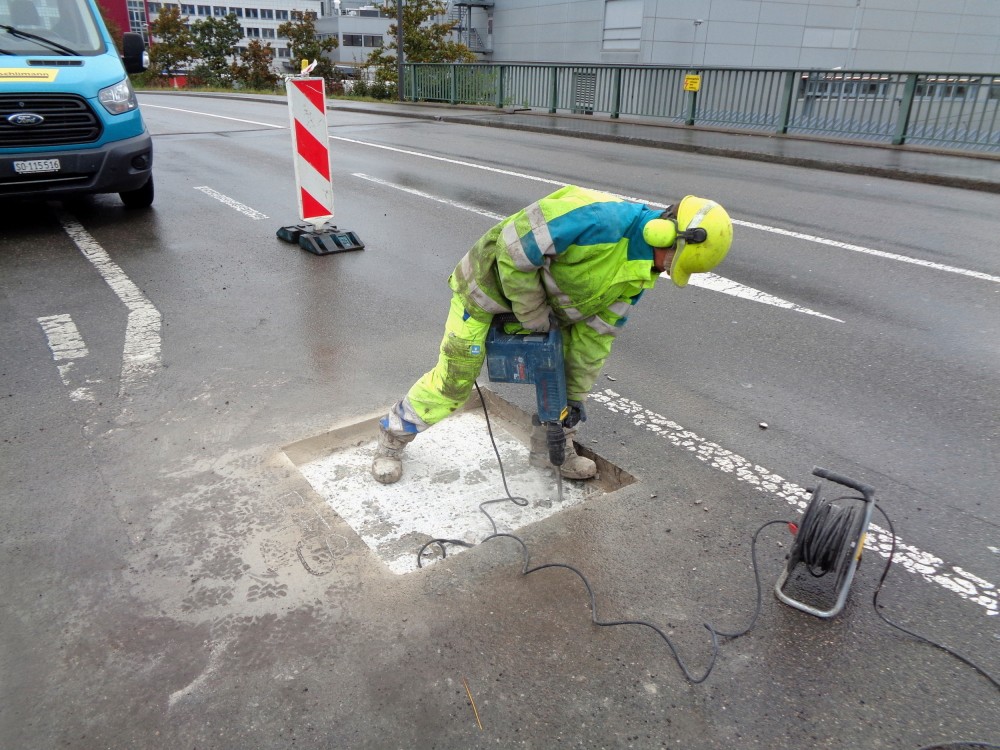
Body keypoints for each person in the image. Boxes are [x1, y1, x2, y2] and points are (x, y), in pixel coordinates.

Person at [372, 185, 733, 484]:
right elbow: (513, 248)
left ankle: (552, 451)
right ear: (665, 233)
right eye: (674, 261)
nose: (668, 270)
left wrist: (573, 397)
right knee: (455, 379)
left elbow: (595, 337)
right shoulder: (598, 218)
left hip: (544, 311)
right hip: (485, 291)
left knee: (558, 377)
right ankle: (393, 435)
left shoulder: (639, 275)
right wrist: (534, 317)